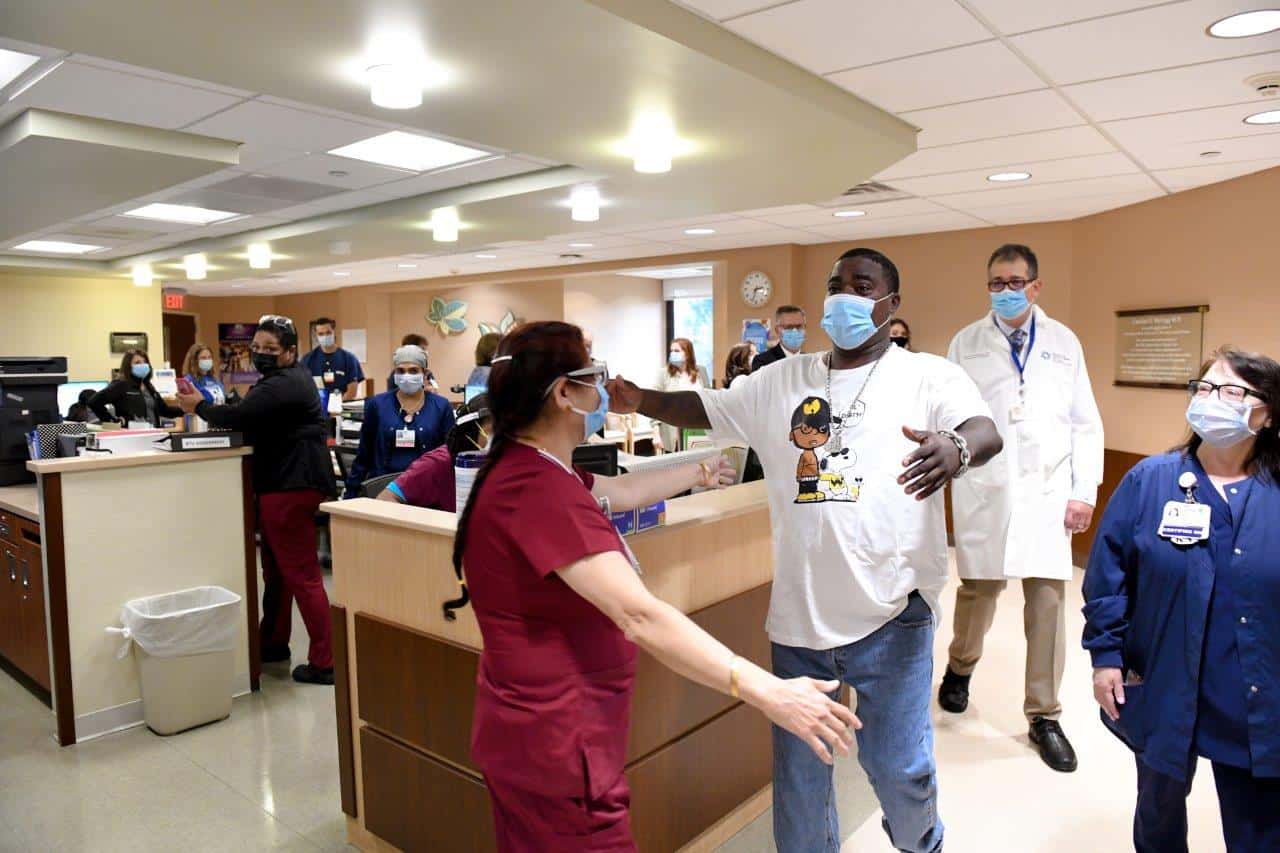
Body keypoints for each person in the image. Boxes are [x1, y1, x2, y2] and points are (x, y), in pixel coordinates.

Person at [609, 247, 1003, 853]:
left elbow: (984, 429)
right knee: (799, 783)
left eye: (862, 285)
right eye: (836, 284)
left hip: (893, 616)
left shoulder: (927, 375)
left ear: (890, 304)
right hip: (801, 621)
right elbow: (707, 408)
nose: (844, 295)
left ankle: (923, 843)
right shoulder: (782, 379)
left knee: (899, 771)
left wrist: (955, 447)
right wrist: (640, 399)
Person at [447, 321, 860, 851]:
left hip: (537, 733)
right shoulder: (536, 490)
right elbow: (638, 614)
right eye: (593, 375)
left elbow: (621, 490)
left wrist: (699, 471)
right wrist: (769, 690)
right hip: (556, 747)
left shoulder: (536, 468)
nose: (604, 388)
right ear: (564, 394)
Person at [1083, 347, 1280, 853]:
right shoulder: (1150, 481)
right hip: (1165, 675)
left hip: (1253, 686)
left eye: (1233, 391)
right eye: (1207, 388)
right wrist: (1106, 656)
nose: (1214, 400)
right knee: (1159, 809)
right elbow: (1108, 575)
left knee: (1259, 822)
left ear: (1269, 412)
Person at [941, 243, 1104, 773]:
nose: (1005, 292)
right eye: (995, 283)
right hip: (987, 489)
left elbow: (1084, 421)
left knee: (1048, 606)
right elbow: (947, 416)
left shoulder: (1063, 343)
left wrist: (1084, 491)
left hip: (1047, 494)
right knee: (979, 594)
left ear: (1036, 286)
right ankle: (960, 668)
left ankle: (1044, 716)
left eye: (1015, 282)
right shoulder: (966, 343)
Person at [176, 315, 337, 685]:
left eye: (271, 349)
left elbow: (239, 417)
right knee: (276, 571)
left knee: (302, 575)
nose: (262, 354)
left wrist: (199, 406)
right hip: (283, 482)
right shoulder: (278, 380)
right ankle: (274, 641)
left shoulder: (285, 383)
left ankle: (325, 660)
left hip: (290, 486)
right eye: (258, 348)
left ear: (290, 352)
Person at [345, 345, 455, 498]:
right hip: (381, 490)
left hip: (426, 491)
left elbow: (449, 455)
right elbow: (364, 455)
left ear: (425, 373)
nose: (406, 376)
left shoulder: (441, 407)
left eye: (413, 371)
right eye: (401, 371)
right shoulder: (377, 405)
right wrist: (350, 494)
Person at [378, 394, 490, 510]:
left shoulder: (502, 464)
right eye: (494, 431)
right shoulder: (437, 464)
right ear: (472, 430)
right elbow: (385, 499)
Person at [87, 349, 183, 427]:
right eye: (137, 362)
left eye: (145, 362)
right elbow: (94, 401)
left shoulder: (149, 386)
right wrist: (113, 421)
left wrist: (186, 410)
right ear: (128, 366)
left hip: (154, 435)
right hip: (131, 437)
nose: (143, 365)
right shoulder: (121, 384)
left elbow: (163, 410)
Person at [651, 338, 709, 453]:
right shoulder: (663, 374)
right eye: (671, 351)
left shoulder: (701, 371)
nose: (673, 354)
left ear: (688, 354)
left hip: (698, 429)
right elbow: (654, 404)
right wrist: (656, 434)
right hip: (674, 430)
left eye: (677, 351)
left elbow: (709, 399)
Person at [300, 316, 364, 401]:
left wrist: (337, 406)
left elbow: (352, 391)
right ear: (316, 335)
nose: (325, 336)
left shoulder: (349, 359)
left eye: (328, 332)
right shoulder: (307, 360)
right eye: (321, 334)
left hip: (342, 408)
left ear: (334, 332)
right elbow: (302, 388)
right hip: (316, 409)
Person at [753, 305, 807, 372]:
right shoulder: (763, 361)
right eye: (789, 327)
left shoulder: (809, 361)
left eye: (799, 326)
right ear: (777, 330)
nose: (795, 331)